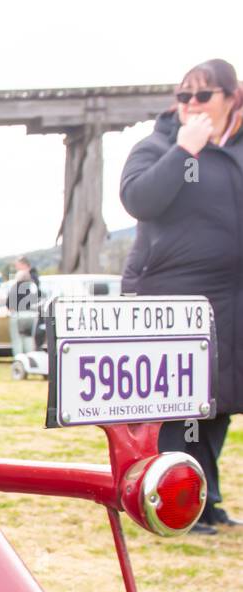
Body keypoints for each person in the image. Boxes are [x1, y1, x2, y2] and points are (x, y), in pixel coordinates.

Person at [120, 58, 243, 534]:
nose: (191, 105)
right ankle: (174, 503)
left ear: (231, 97)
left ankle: (207, 500)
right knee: (179, 407)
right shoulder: (157, 145)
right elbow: (139, 199)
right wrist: (183, 152)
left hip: (230, 300)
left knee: (218, 405)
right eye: (184, 95)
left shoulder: (235, 154)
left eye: (203, 96)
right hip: (173, 296)